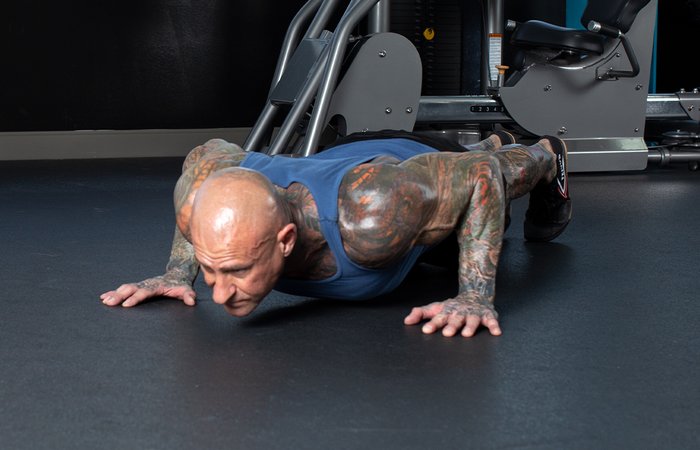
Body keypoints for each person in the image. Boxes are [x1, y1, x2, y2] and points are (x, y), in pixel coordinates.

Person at [100, 130, 571, 338]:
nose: (220, 294)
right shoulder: (197, 197)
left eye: (237, 270)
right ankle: (486, 140)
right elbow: (205, 156)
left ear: (285, 240)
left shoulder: (371, 217)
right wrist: (178, 271)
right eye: (210, 270)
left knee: (486, 171)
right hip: (341, 154)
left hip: (402, 163)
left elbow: (482, 177)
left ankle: (546, 152)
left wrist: (473, 296)